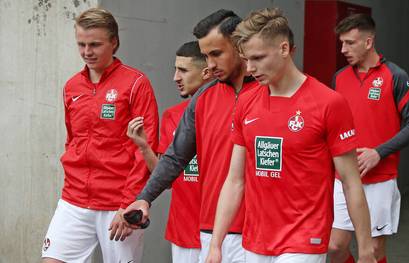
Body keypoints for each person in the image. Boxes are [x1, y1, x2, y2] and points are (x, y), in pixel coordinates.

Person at [205, 7, 376, 263]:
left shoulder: (329, 103)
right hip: (256, 239)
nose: (250, 68)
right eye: (247, 60)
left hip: (305, 238)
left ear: (284, 49)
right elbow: (234, 180)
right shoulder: (246, 103)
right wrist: (215, 245)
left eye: (258, 58)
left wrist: (365, 249)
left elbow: (351, 182)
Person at [124, 9, 258, 263]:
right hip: (211, 231)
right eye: (206, 56)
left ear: (240, 46)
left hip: (258, 232)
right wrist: (145, 198)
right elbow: (175, 156)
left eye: (216, 54)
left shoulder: (269, 92)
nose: (209, 65)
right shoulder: (204, 97)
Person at [41, 8, 159, 263]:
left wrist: (129, 203)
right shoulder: (72, 86)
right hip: (74, 199)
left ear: (114, 42)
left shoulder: (136, 84)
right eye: (81, 44)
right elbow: (72, 140)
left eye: (95, 44)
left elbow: (146, 149)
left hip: (118, 203)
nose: (87, 52)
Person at [328, 13, 409, 263]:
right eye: (342, 43)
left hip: (380, 180)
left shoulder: (396, 76)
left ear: (368, 42)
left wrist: (378, 152)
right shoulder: (339, 78)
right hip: (344, 178)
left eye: (350, 43)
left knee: (372, 252)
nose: (343, 49)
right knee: (335, 247)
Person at [126, 41, 212, 263]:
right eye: (175, 69)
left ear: (206, 72)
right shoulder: (172, 116)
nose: (175, 77)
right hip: (182, 230)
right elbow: (167, 179)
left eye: (183, 70)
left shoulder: (227, 112)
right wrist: (145, 147)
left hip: (221, 232)